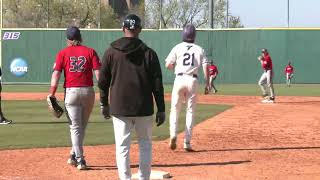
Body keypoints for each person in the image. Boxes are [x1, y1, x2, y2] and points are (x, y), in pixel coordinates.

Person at [98, 14, 165, 180]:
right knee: (145, 145)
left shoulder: (110, 52)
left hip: (120, 106)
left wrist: (103, 103)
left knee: (122, 147)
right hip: (143, 106)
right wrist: (161, 109)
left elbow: (102, 82)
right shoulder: (149, 53)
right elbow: (157, 85)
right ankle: (144, 178)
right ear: (140, 30)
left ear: (123, 29)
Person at [48, 26, 101, 170]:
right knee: (81, 126)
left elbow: (56, 74)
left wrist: (52, 92)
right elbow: (98, 74)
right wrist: (103, 92)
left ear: (68, 39)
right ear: (80, 37)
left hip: (71, 92)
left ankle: (80, 160)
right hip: (88, 92)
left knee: (75, 128)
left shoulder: (63, 53)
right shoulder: (90, 52)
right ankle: (73, 154)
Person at [165, 24, 209, 152]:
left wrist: (175, 66)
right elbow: (205, 67)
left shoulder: (177, 47)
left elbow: (168, 65)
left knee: (175, 109)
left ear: (183, 34)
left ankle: (173, 135)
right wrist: (207, 83)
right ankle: (187, 142)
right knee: (190, 111)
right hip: (193, 79)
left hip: (179, 78)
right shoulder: (200, 49)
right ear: (194, 35)